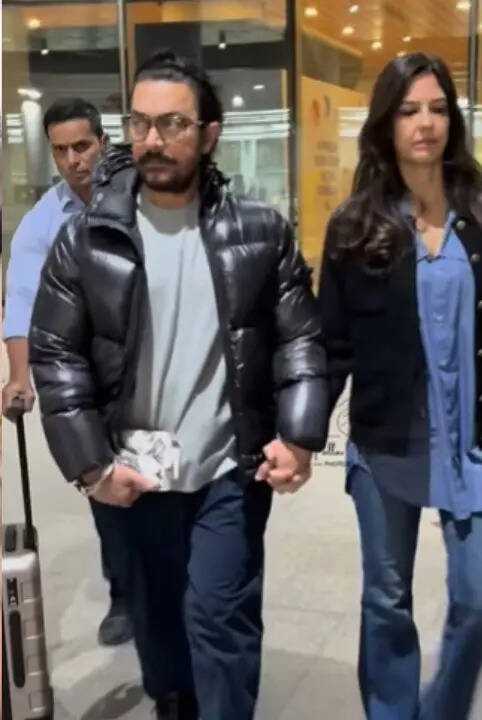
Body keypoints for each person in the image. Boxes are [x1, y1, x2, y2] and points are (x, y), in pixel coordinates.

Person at [28, 51, 328, 720]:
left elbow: (301, 340)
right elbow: (56, 354)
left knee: (221, 615)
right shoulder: (86, 241)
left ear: (210, 134)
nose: (153, 140)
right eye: (140, 123)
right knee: (157, 614)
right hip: (131, 472)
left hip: (228, 468)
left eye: (173, 124)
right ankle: (174, 697)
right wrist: (90, 465)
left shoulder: (259, 232)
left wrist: (300, 436)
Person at [317, 53, 482, 720]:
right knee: (385, 599)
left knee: (481, 599)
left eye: (437, 108)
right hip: (389, 440)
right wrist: (299, 435)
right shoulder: (355, 225)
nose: (425, 123)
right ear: (385, 123)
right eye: (408, 110)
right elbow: (331, 346)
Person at [2, 97, 135, 647]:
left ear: (103, 142)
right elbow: (21, 300)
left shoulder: (138, 196)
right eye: (61, 151)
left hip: (144, 360)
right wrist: (19, 377)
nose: (73, 160)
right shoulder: (42, 222)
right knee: (103, 480)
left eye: (82, 146)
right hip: (84, 371)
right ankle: (125, 595)